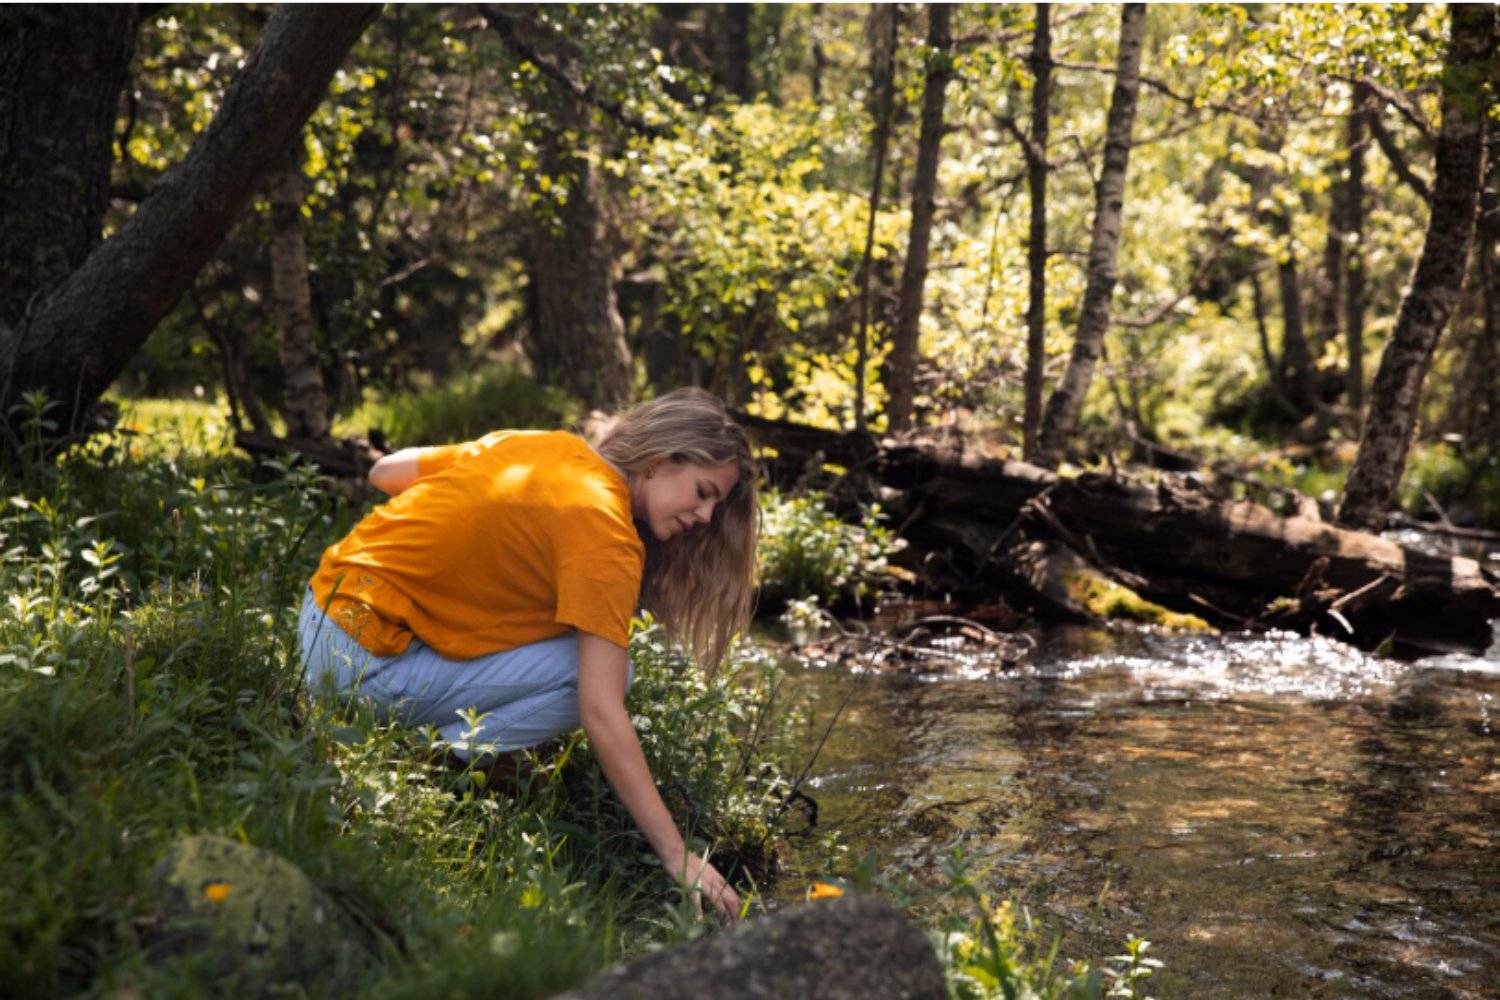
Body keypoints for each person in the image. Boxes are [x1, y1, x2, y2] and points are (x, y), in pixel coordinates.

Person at [296, 387, 758, 924]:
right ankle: (439, 758)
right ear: (659, 459)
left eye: (715, 504)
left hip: (321, 611)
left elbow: (387, 472)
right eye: (703, 492)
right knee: (607, 675)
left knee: (565, 641)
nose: (704, 515)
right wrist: (678, 854)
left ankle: (455, 749)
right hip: (360, 668)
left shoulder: (541, 446)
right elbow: (601, 712)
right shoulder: (605, 532)